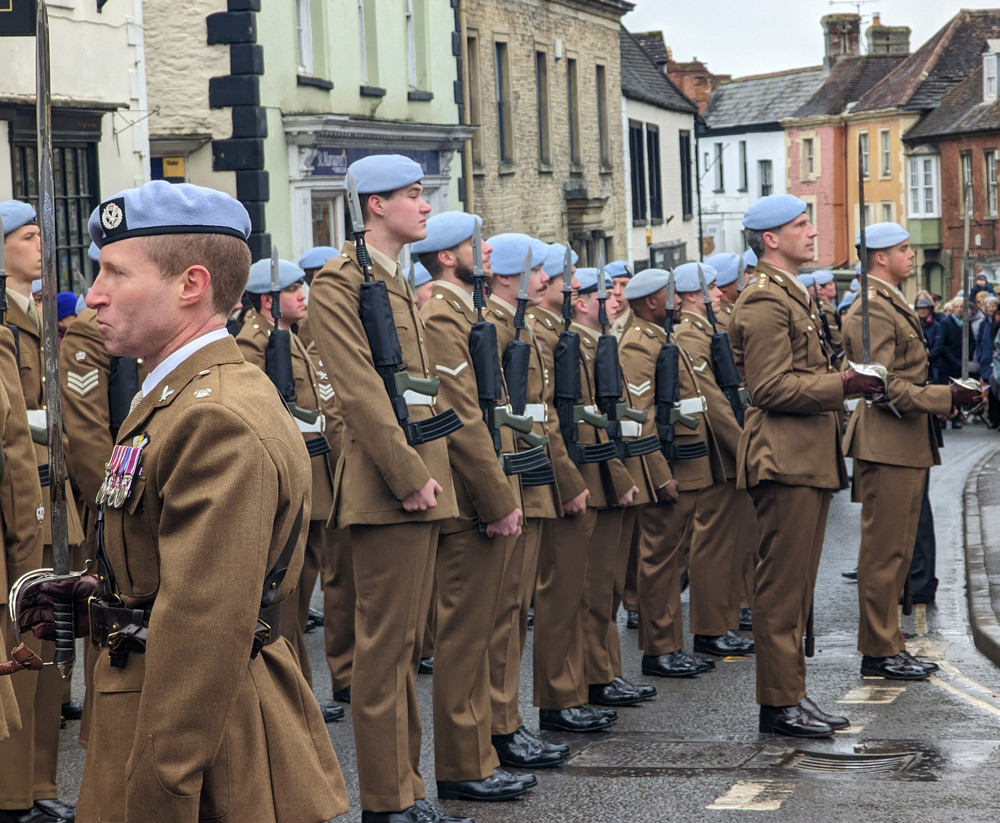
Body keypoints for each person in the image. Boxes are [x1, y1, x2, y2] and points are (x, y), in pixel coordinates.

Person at [76, 180, 348, 821]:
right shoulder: (178, 395)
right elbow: (168, 564)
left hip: (198, 751)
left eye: (116, 271)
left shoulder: (214, 417)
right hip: (157, 716)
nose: (94, 294)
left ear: (190, 284)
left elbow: (203, 627)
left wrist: (158, 792)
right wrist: (96, 590)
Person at [308, 156, 466, 823]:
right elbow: (361, 391)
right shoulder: (341, 282)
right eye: (413, 194)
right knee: (382, 652)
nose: (425, 206)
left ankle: (410, 788)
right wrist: (409, 476)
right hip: (387, 488)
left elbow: (413, 391)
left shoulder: (400, 281)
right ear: (375, 204)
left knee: (405, 649)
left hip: (420, 480)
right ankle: (384, 800)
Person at [729, 194, 884, 738]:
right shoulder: (765, 302)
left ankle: (791, 693)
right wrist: (842, 385)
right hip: (784, 455)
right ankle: (778, 704)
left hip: (806, 455)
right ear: (771, 239)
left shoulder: (790, 295)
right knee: (780, 588)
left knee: (796, 590)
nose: (812, 232)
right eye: (800, 225)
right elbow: (769, 387)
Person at [412, 211, 531, 803]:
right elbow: (459, 418)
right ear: (444, 258)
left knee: (483, 631)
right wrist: (497, 496)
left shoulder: (464, 312)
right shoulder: (440, 314)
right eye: (471, 247)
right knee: (464, 637)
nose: (485, 256)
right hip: (467, 499)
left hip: (484, 489)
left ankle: (480, 752)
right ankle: (464, 765)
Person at [843, 223, 980, 680]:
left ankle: (889, 646)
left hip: (903, 440)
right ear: (879, 258)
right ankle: (879, 651)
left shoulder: (891, 301)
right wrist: (944, 398)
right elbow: (882, 387)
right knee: (884, 554)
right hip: (886, 441)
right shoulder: (872, 309)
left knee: (900, 552)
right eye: (902, 249)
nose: (910, 255)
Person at [235, 257, 346, 723]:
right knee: (289, 598)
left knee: (303, 597)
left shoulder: (292, 339)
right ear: (267, 300)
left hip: (315, 476)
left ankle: (298, 688)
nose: (304, 294)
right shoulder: (251, 344)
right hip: (290, 479)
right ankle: (291, 693)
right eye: (294, 289)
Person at [0, 199, 82, 823]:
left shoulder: (45, 315)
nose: (40, 248)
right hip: (25, 505)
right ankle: (14, 792)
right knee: (21, 651)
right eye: (29, 237)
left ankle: (40, 784)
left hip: (59, 503)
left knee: (54, 654)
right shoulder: (6, 318)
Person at [484, 235, 573, 767]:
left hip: (532, 471)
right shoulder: (495, 326)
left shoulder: (520, 323)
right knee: (503, 614)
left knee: (515, 612)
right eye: (536, 269)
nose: (545, 279)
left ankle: (508, 721)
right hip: (513, 475)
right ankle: (500, 726)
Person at [619, 269, 716, 679]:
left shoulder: (663, 338)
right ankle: (659, 650)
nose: (678, 301)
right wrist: (658, 476)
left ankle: (672, 645)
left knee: (676, 561)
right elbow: (639, 418)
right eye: (670, 295)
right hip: (665, 466)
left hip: (686, 461)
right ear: (651, 303)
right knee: (660, 561)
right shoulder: (638, 345)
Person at [672, 262, 755, 657]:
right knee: (713, 543)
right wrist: (744, 447)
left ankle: (723, 620)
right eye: (710, 288)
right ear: (691, 295)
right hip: (714, 450)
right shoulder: (689, 334)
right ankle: (709, 626)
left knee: (729, 541)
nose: (720, 293)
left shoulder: (706, 329)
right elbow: (713, 402)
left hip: (725, 447)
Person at [916, 297, 942, 384]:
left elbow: (938, 346)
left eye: (925, 308)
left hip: (933, 363)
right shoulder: (915, 324)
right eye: (920, 308)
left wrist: (928, 357)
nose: (923, 311)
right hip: (918, 363)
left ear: (930, 310)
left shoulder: (936, 325)